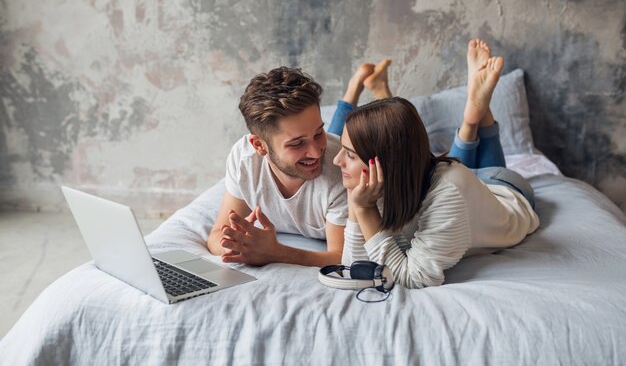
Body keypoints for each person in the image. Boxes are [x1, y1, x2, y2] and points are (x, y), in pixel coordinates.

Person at [330, 39, 540, 289]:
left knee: (457, 176)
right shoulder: (373, 185)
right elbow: (356, 268)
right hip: (463, 187)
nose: (336, 161)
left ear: (387, 162)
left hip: (506, 190)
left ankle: (475, 115)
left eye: (350, 155)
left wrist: (363, 210)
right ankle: (474, 112)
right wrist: (358, 205)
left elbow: (414, 278)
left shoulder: (448, 192)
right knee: (455, 172)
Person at [207, 67, 348, 267]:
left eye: (318, 133)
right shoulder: (244, 160)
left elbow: (342, 257)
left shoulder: (343, 169)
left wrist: (276, 253)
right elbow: (216, 236)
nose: (316, 152)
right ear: (259, 146)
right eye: (297, 143)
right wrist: (242, 248)